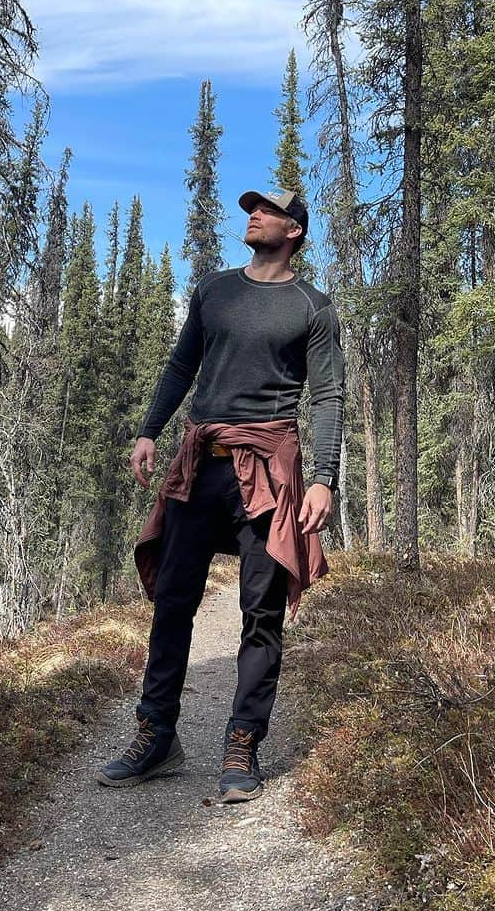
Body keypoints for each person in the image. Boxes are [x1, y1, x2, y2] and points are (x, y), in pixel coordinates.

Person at [95, 187, 345, 802]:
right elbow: (181, 367)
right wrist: (149, 431)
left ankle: (242, 745)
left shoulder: (312, 307)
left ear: (295, 232)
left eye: (266, 210)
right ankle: (156, 735)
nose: (252, 215)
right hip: (199, 464)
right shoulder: (213, 290)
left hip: (269, 472)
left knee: (260, 612)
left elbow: (328, 396)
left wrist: (324, 478)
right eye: (249, 209)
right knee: (173, 600)